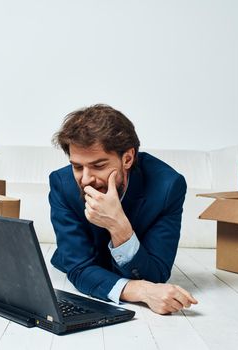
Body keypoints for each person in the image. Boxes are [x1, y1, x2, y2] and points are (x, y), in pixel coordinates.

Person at [49, 104, 198, 315]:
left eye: (99, 166)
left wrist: (118, 225)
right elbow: (78, 267)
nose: (86, 179)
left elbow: (155, 274)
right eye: (77, 166)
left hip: (128, 268)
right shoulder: (62, 184)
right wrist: (142, 291)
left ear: (127, 158)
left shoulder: (167, 186)